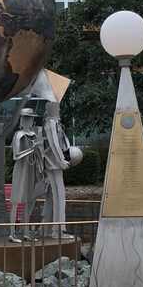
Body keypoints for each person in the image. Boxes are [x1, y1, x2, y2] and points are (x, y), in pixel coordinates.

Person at [41, 101, 79, 239]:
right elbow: (54, 144)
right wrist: (61, 161)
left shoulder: (54, 123)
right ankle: (58, 231)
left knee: (52, 196)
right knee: (60, 196)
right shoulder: (50, 123)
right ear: (52, 108)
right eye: (57, 107)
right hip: (54, 164)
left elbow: (60, 143)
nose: (59, 109)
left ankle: (45, 228)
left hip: (52, 163)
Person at [8, 108, 44, 242]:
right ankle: (12, 232)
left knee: (29, 200)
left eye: (31, 118)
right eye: (26, 118)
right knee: (16, 201)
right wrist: (31, 149)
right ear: (22, 120)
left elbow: (39, 156)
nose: (29, 121)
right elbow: (16, 155)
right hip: (21, 168)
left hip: (31, 169)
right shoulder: (19, 135)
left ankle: (25, 231)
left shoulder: (34, 135)